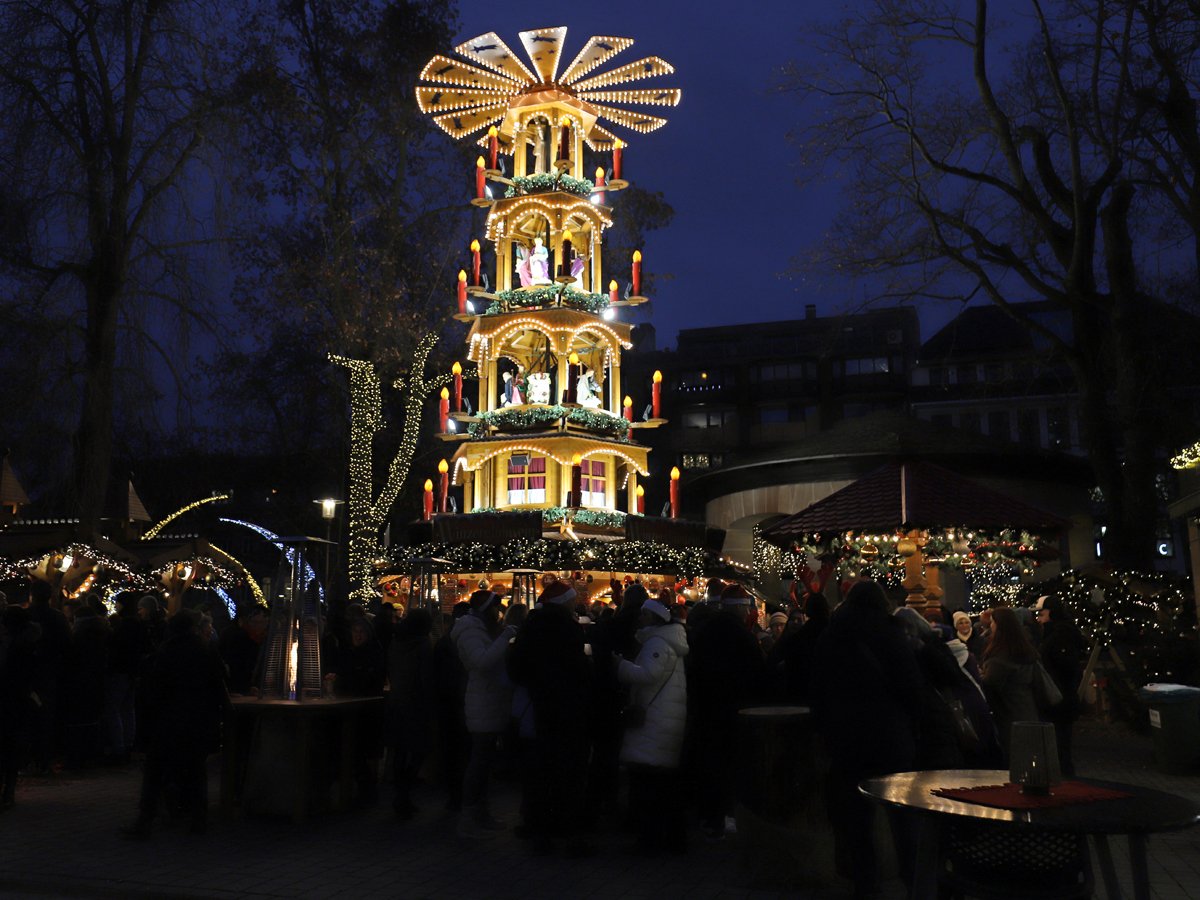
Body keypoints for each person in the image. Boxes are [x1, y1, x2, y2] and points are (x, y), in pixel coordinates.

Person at [811, 581, 922, 900]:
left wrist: (825, 731)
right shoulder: (890, 633)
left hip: (846, 740)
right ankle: (913, 881)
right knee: (901, 814)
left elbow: (818, 688)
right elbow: (911, 685)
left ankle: (865, 884)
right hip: (890, 738)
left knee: (857, 820)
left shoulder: (832, 636)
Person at [124, 609, 229, 837]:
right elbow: (219, 684)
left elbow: (151, 690)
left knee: (156, 771)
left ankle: (146, 819)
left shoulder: (165, 653)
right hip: (197, 720)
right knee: (195, 770)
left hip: (167, 720)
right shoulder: (205, 651)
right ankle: (198, 819)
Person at [508, 579, 593, 855]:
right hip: (568, 708)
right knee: (568, 772)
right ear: (565, 601)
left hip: (540, 706)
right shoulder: (568, 628)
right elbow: (577, 668)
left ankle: (540, 830)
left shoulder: (531, 627)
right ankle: (567, 831)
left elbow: (517, 666)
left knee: (541, 771)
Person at [687, 582, 767, 840]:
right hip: (734, 710)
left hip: (706, 707)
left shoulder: (705, 631)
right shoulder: (742, 636)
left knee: (709, 763)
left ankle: (709, 816)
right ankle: (723, 817)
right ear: (742, 609)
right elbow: (756, 673)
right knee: (728, 765)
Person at [616, 598, 689, 855]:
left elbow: (648, 675)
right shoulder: (667, 641)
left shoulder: (657, 643)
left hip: (655, 721)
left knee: (649, 782)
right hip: (664, 718)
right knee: (659, 783)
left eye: (644, 614)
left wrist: (620, 666)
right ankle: (665, 836)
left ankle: (651, 838)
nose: (640, 618)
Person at [452, 589, 517, 838]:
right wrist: (506, 637)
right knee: (479, 761)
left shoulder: (481, 630)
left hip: (489, 700)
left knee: (485, 760)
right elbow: (481, 661)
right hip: (482, 702)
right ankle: (468, 818)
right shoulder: (470, 631)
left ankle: (481, 812)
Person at [386, 608, 434, 820]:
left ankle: (400, 794)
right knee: (418, 750)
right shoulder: (423, 645)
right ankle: (404, 793)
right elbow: (426, 677)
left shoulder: (397, 642)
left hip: (397, 701)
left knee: (400, 751)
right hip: (417, 703)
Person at [980, 606, 1045, 758]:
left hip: (1009, 713)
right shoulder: (1024, 649)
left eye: (993, 622)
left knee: (1014, 758)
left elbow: (990, 682)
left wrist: (981, 675)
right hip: (1028, 710)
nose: (991, 625)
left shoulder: (1002, 654)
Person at [1037, 596, 1087, 775]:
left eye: (1041, 614)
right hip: (1061, 694)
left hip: (1059, 695)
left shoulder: (1059, 634)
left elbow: (1065, 665)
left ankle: (1065, 779)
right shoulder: (1060, 632)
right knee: (1060, 742)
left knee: (1060, 743)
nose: (1039, 618)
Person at [1, 605, 40, 809]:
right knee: (12, 744)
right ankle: (9, 789)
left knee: (8, 743)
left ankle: (7, 789)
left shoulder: (16, 644)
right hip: (21, 698)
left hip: (11, 697)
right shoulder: (31, 642)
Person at [219, 606, 268, 695]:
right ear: (248, 622)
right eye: (255, 622)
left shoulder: (263, 639)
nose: (259, 626)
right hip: (239, 690)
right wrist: (246, 687)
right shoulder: (239, 638)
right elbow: (235, 666)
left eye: (262, 622)